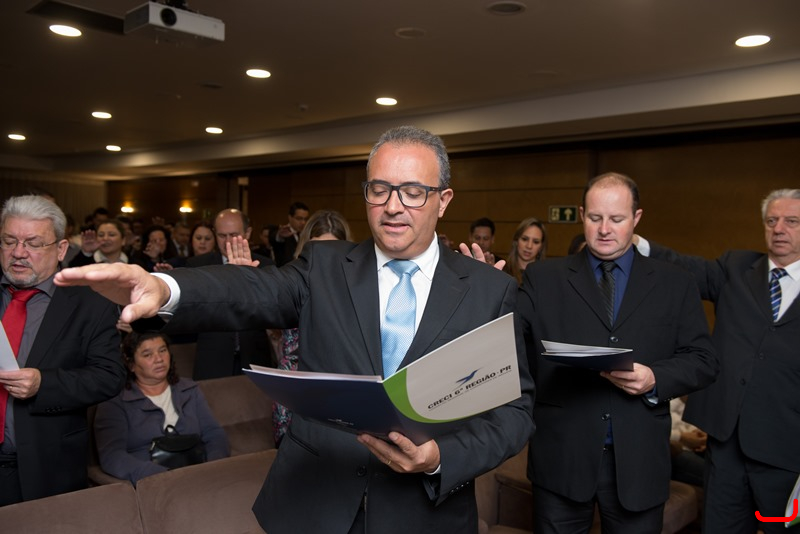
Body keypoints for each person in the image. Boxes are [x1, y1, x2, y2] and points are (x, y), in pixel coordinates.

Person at [55, 125, 535, 534]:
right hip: (317, 503)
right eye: (379, 189)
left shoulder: (487, 290)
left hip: (426, 512)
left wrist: (439, 458)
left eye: (413, 191)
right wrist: (165, 287)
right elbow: (251, 290)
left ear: (443, 200)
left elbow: (513, 411)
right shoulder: (324, 266)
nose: (393, 206)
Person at [517, 172, 718, 534]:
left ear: (637, 218)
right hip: (562, 459)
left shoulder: (676, 282)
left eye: (617, 219)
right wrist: (483, 290)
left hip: (639, 462)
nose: (605, 229)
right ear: (582, 215)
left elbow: (703, 359)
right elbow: (512, 345)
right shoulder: (543, 278)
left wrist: (655, 378)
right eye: (595, 218)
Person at [634, 188, 800, 534]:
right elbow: (685, 267)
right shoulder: (737, 267)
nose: (779, 229)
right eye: (772, 221)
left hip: (787, 449)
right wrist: (637, 243)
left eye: (791, 221)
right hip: (726, 443)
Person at [0, 195, 126, 505]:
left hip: (45, 466)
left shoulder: (92, 304)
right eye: (9, 241)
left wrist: (45, 384)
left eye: (33, 243)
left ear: (60, 249)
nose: (18, 252)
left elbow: (109, 376)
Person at [226, 209, 353, 445]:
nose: (324, 257)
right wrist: (246, 283)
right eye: (316, 248)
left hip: (337, 395)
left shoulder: (357, 290)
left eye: (332, 249)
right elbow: (260, 306)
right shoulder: (291, 283)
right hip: (292, 394)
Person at [93, 332, 229, 484]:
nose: (159, 359)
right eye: (148, 355)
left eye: (162, 350)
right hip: (153, 482)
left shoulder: (189, 389)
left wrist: (212, 468)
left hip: (201, 474)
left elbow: (214, 433)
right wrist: (163, 476)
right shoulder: (115, 402)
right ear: (131, 364)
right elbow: (112, 456)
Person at [186, 209, 275, 380]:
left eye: (233, 235)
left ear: (247, 233)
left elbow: (272, 310)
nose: (227, 242)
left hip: (255, 358)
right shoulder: (198, 266)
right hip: (212, 359)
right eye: (221, 235)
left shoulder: (265, 266)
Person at [503, 217, 547, 285]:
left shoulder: (547, 275)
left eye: (536, 242)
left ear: (541, 246)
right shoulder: (502, 272)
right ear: (516, 240)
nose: (529, 246)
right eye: (524, 239)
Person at [270, 201, 310, 266]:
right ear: (290, 217)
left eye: (305, 219)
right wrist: (279, 235)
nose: (303, 222)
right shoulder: (282, 234)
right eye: (299, 218)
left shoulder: (307, 235)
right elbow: (273, 238)